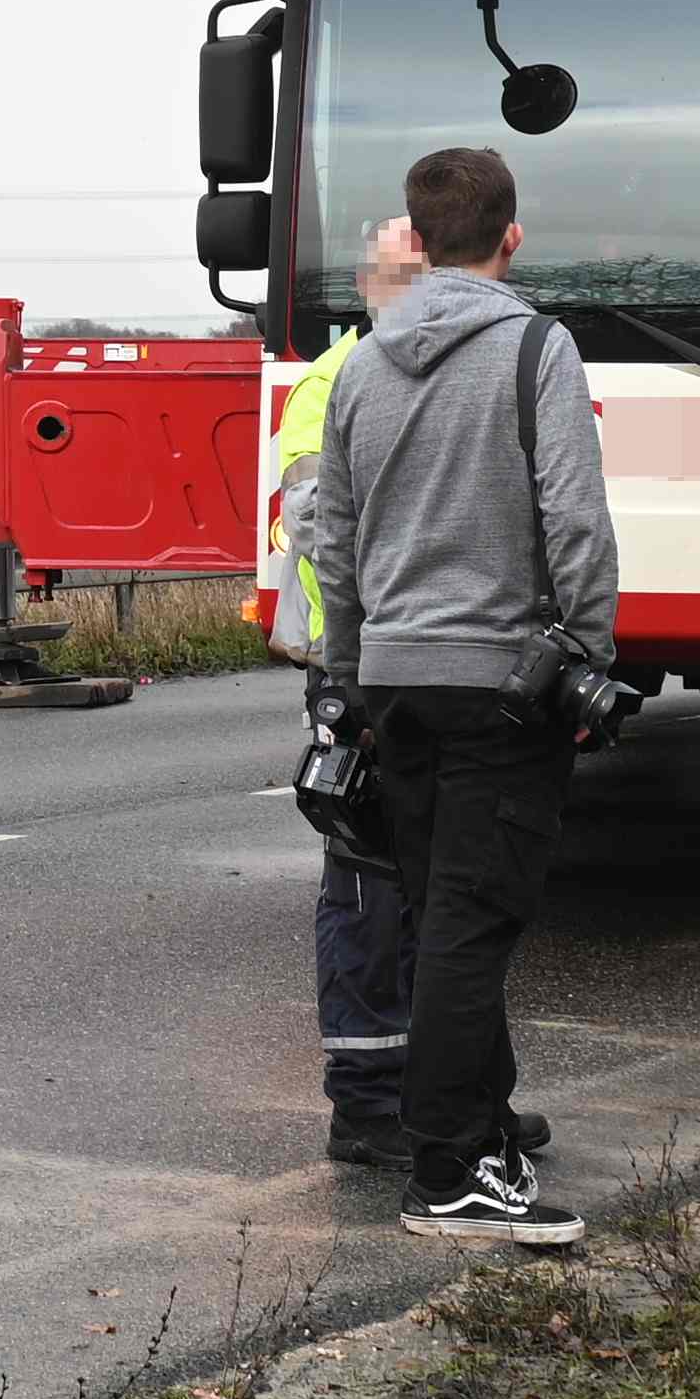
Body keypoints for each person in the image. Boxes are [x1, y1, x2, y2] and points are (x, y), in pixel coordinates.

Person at [315, 140, 616, 1253]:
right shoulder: (536, 346)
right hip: (499, 677)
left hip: (396, 676)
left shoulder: (359, 365)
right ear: (510, 236)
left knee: (444, 904)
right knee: (470, 927)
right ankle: (447, 1172)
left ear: (415, 236)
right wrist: (585, 649)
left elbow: (331, 538)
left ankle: (482, 1126)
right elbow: (574, 518)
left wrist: (351, 672)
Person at [260, 214, 433, 1168]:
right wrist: (357, 669)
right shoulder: (333, 384)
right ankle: (367, 1103)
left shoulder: (430, 370)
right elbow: (324, 527)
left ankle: (440, 1089)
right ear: (372, 292)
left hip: (410, 660)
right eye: (402, 278)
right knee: (369, 887)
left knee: (434, 886)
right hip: (361, 669)